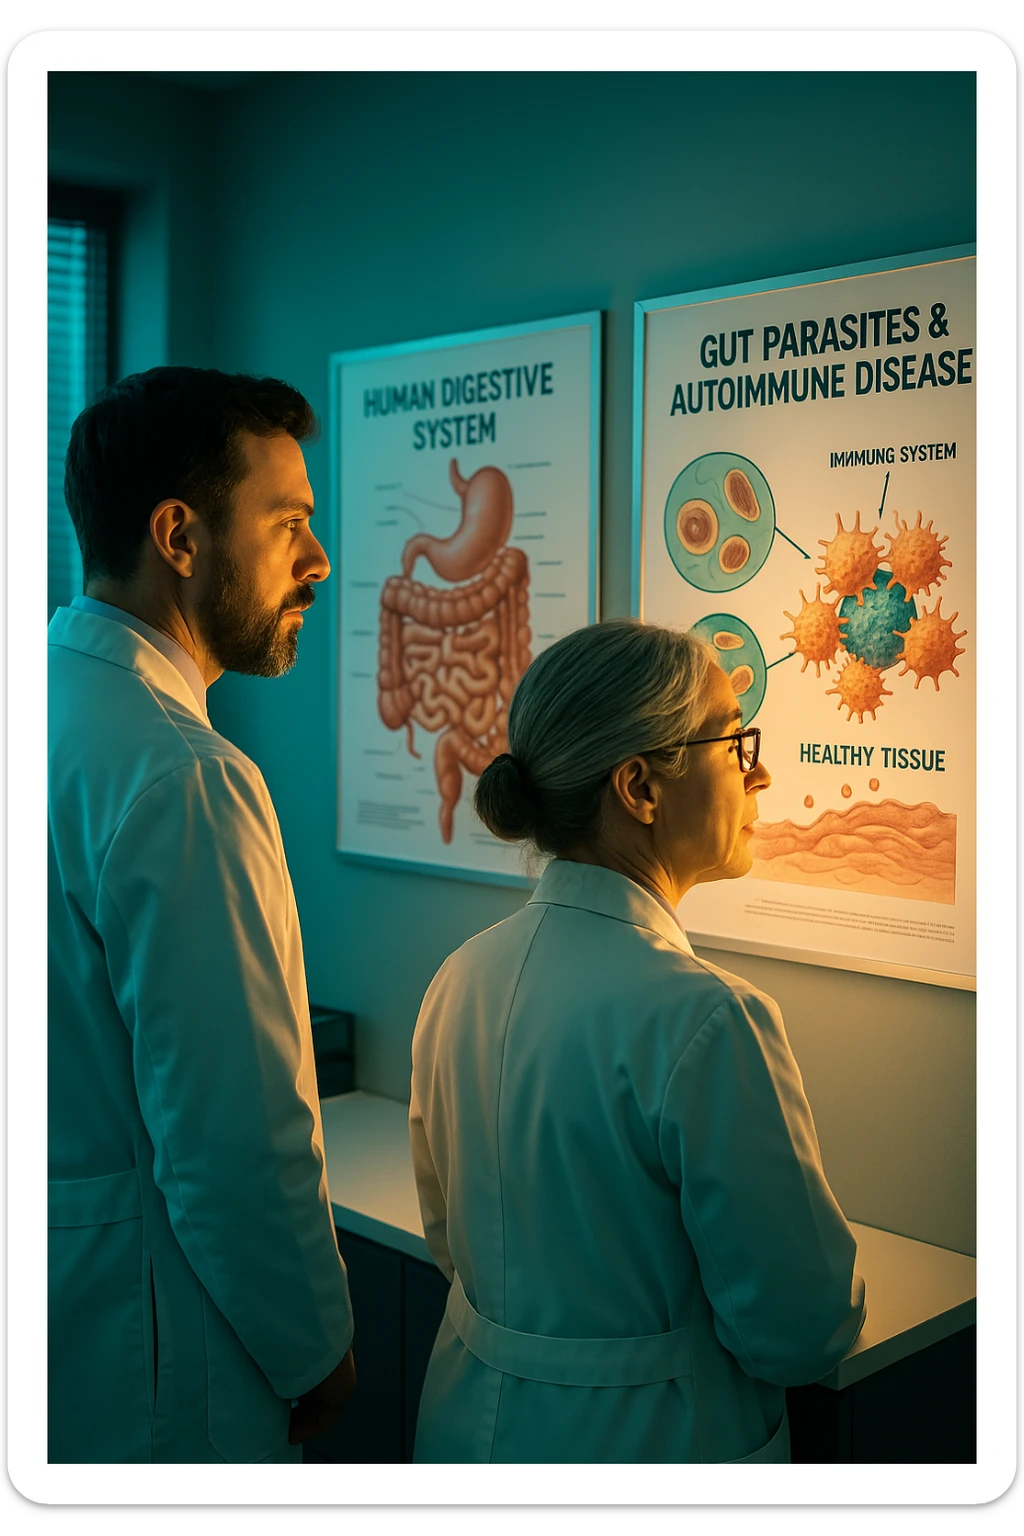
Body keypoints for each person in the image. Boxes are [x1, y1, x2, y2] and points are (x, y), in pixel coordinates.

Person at [408, 618, 866, 1464]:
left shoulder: (458, 979)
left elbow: (450, 1239)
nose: (759, 771)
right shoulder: (708, 1020)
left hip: (466, 1429)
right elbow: (803, 1330)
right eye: (735, 741)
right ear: (641, 789)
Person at [48, 366, 356, 1463]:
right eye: (288, 525)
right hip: (156, 1347)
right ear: (180, 536)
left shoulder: (49, 704)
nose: (316, 561)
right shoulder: (183, 774)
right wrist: (314, 1349)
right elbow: (234, 1136)